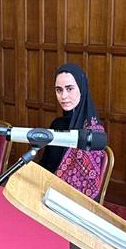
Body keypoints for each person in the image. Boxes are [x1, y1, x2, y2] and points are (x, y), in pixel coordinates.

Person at [44, 63, 106, 199]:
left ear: (82, 89)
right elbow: (44, 167)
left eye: (69, 89)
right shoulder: (57, 124)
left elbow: (86, 189)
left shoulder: (92, 133)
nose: (63, 96)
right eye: (59, 90)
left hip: (72, 203)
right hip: (46, 193)